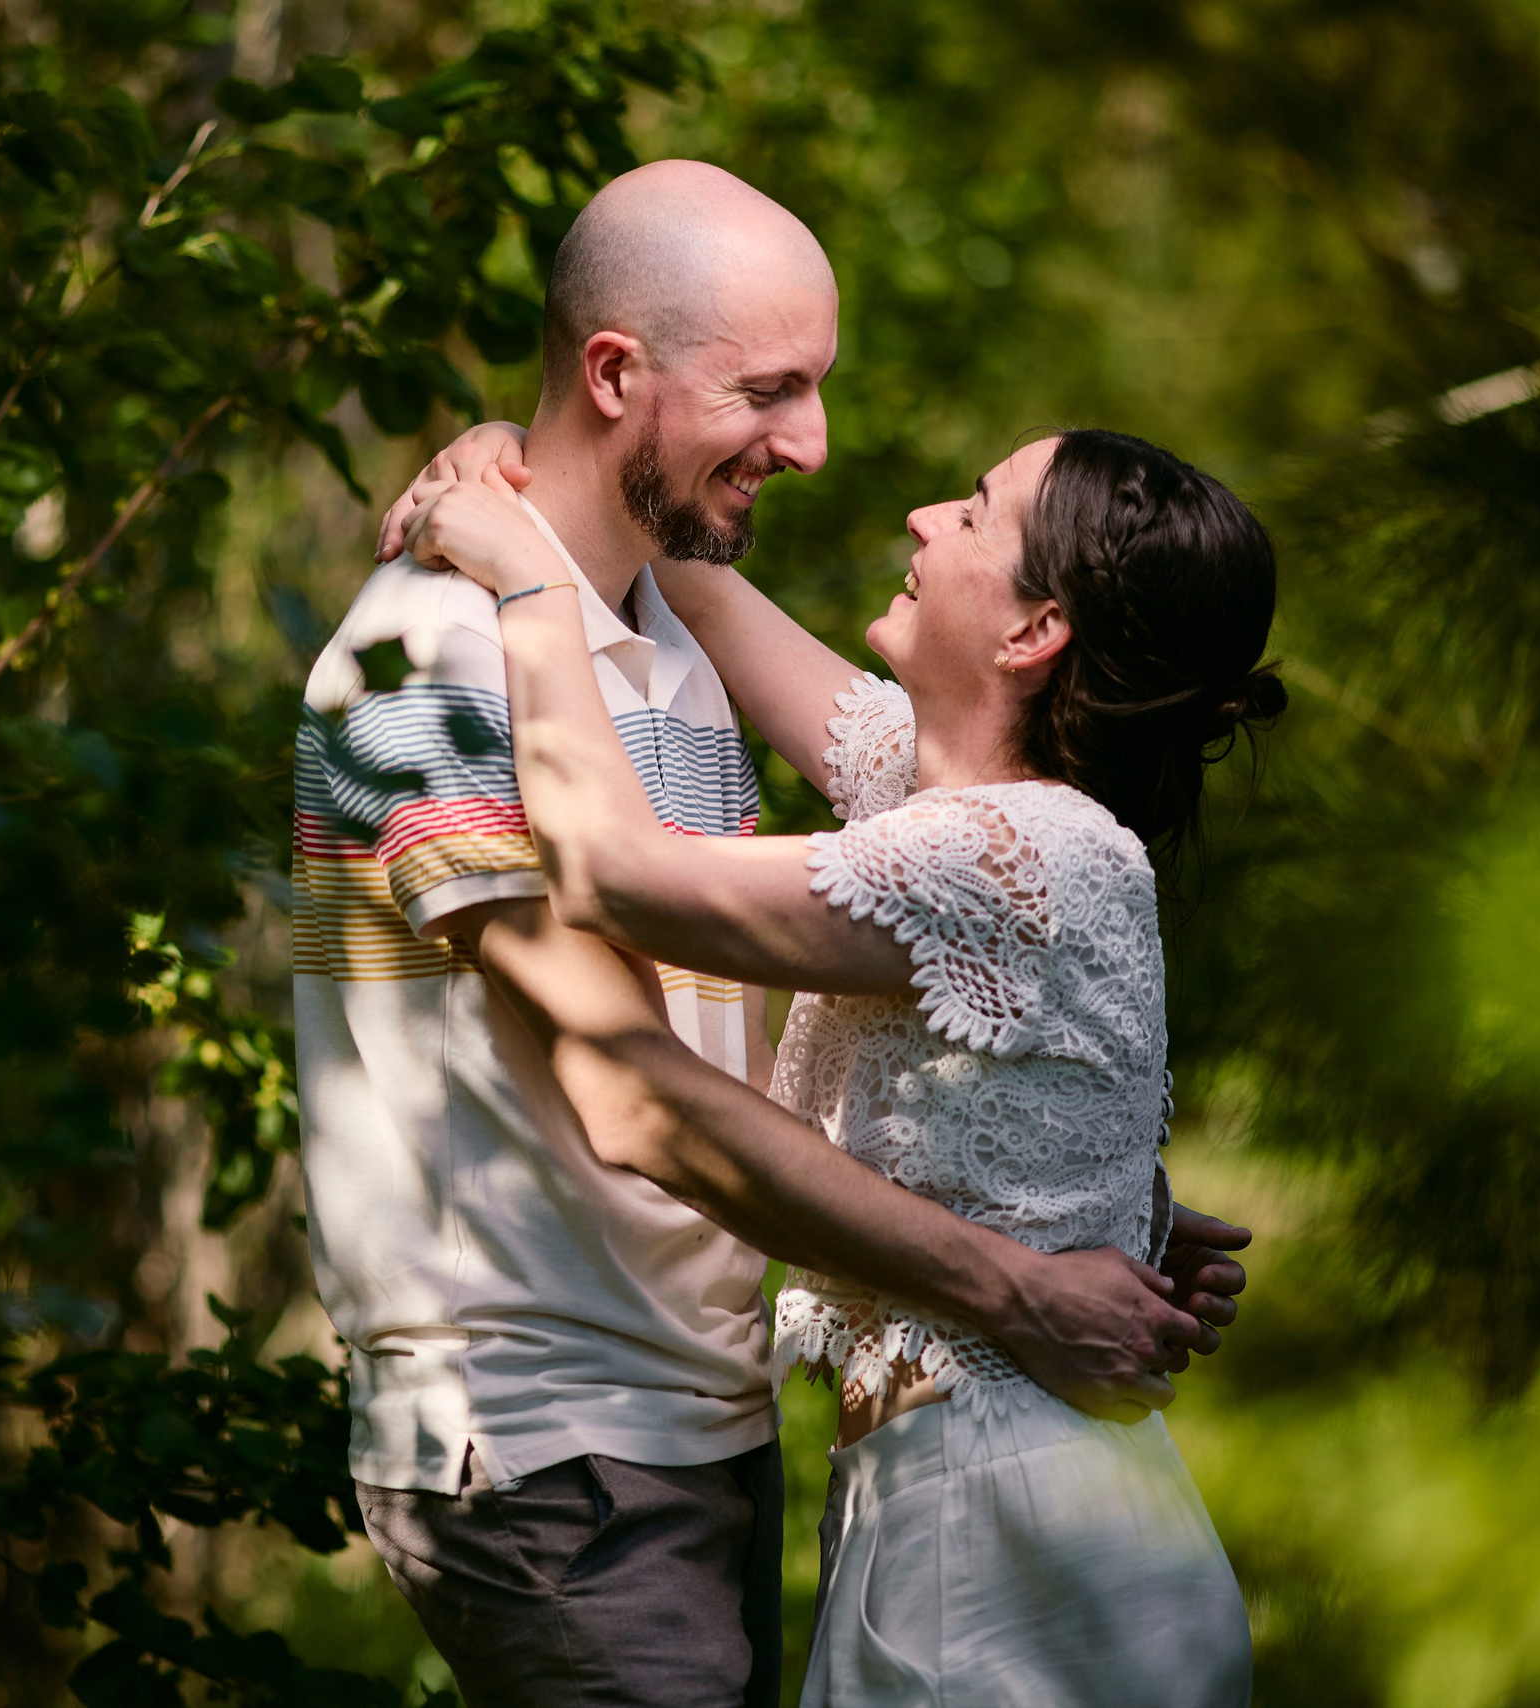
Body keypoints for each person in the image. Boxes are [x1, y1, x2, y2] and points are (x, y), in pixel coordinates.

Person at [294, 158, 1251, 1708]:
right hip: (547, 1433)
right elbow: (630, 1091)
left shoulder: (663, 649)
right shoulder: (436, 659)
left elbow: (651, 824)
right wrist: (1027, 1267)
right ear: (616, 373)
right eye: (771, 389)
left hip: (719, 1422)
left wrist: (1082, 1206)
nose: (820, 450)